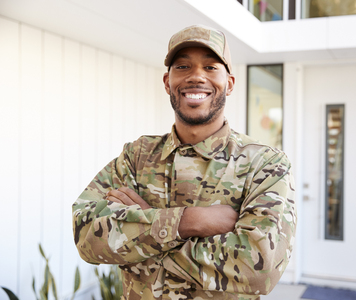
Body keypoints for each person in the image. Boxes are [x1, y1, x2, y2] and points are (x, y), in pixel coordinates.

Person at [72, 24, 296, 300]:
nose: (196, 76)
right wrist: (189, 222)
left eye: (211, 67)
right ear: (167, 82)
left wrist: (145, 229)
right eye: (183, 67)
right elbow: (86, 237)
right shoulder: (137, 156)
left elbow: (259, 269)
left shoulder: (265, 163)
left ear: (230, 83)